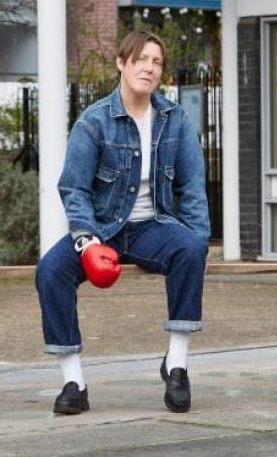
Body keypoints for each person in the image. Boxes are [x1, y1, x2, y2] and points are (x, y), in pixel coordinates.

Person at [36, 30, 210, 415]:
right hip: (103, 230)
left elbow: (193, 187)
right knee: (50, 271)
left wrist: (198, 246)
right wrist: (87, 241)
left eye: (157, 62)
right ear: (122, 63)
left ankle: (177, 365)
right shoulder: (94, 122)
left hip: (153, 227)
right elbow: (73, 188)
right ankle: (73, 382)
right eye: (141, 60)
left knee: (192, 248)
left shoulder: (174, 120)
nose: (149, 68)